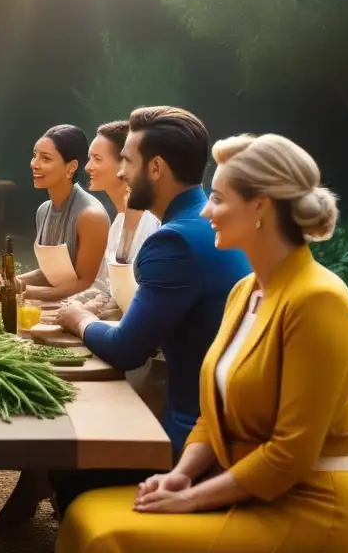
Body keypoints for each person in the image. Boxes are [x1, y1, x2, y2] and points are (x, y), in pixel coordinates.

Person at [58, 134, 348, 553]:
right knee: (85, 512)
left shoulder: (318, 299)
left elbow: (290, 455)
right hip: (242, 488)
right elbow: (211, 411)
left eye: (219, 199)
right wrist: (180, 474)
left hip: (306, 509)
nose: (206, 210)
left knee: (106, 534)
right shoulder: (245, 291)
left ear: (260, 206)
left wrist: (189, 498)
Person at [52, 107, 251, 511]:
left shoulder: (173, 241)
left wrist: (80, 319)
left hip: (195, 442)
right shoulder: (205, 224)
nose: (121, 172)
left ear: (156, 167)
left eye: (126, 160)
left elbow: (127, 348)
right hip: (222, 426)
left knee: (67, 462)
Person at [19, 125, 110, 316]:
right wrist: (10, 280)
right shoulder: (44, 211)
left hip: (90, 311)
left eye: (46, 158)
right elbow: (52, 274)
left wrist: (22, 290)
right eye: (34, 155)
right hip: (56, 304)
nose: (34, 164)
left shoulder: (90, 216)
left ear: (71, 167)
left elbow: (84, 282)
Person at [86, 120, 160, 270]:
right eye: (89, 158)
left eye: (97, 159)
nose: (88, 167)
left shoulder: (154, 224)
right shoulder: (119, 222)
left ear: (126, 162)